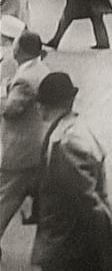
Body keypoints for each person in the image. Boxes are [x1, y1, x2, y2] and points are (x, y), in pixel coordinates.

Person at [31, 72, 112, 271]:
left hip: (70, 243)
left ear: (46, 105)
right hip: (73, 239)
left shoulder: (64, 143)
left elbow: (85, 201)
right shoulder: (76, 128)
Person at [0, 31, 48, 251]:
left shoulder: (25, 79)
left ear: (18, 50)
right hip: (34, 147)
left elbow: (10, 110)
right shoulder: (38, 70)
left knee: (5, 202)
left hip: (20, 151)